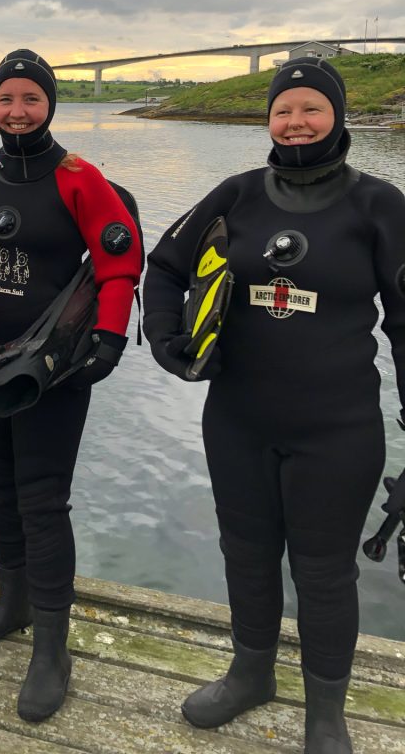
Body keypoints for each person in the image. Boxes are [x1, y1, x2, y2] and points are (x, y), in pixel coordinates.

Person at [142, 57, 405, 753]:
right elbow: (164, 268)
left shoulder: (379, 206)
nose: (295, 122)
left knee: (324, 572)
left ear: (338, 116)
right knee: (247, 554)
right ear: (269, 118)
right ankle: (250, 673)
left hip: (338, 429)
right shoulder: (236, 196)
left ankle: (327, 710)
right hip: (238, 419)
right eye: (284, 109)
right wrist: (168, 342)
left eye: (311, 108)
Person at [0, 49, 142, 722]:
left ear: (51, 105)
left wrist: (107, 339)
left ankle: (52, 647)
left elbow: (120, 257)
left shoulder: (79, 178)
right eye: (5, 99)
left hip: (50, 370)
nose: (17, 111)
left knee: (43, 500)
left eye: (31, 99)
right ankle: (12, 604)